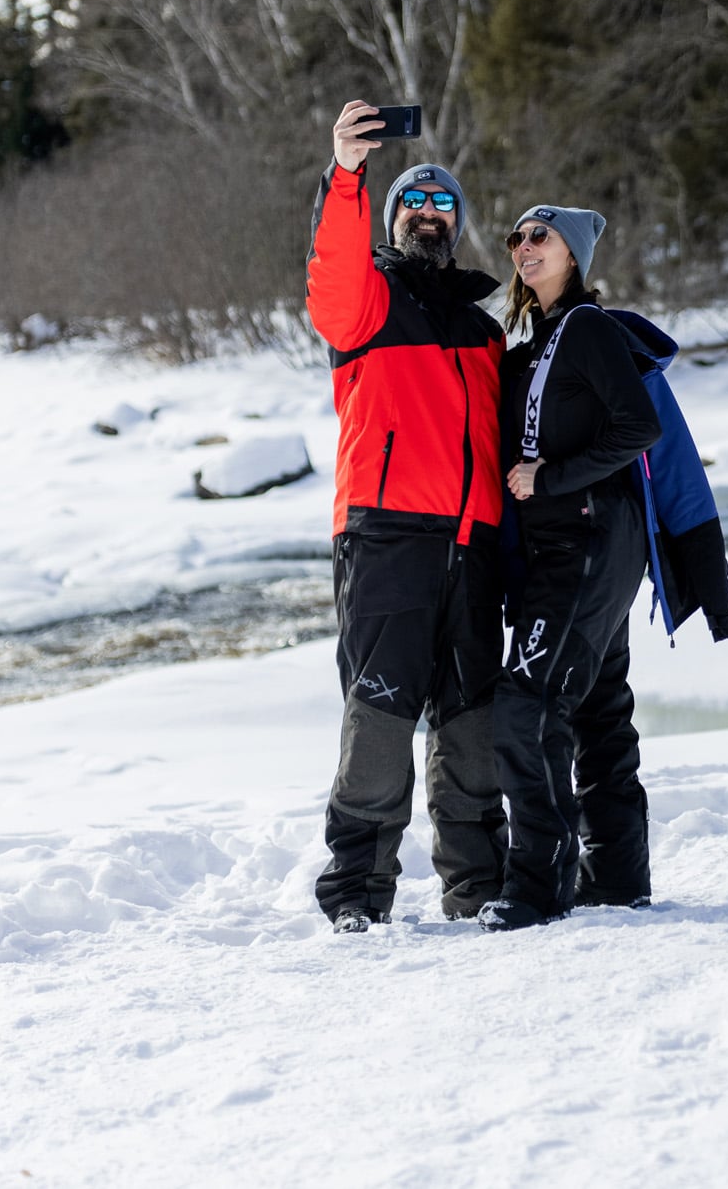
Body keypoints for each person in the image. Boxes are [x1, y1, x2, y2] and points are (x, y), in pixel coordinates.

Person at [430, 204, 728, 931]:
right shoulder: (533, 346)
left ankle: (539, 886)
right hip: (558, 551)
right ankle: (620, 877)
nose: (524, 247)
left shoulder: (590, 329)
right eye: (517, 238)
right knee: (599, 708)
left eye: (541, 235)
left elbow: (640, 428)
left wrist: (549, 475)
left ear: (575, 253)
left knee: (526, 708)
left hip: (593, 539)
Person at [302, 100, 505, 933]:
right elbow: (331, 269)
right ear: (395, 218)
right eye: (414, 203)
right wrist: (348, 176)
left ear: (456, 225)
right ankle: (357, 893)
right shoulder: (368, 305)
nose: (428, 214)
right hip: (387, 536)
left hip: (474, 546)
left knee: (470, 724)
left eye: (443, 206)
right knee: (380, 716)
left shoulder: (482, 330)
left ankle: (477, 887)